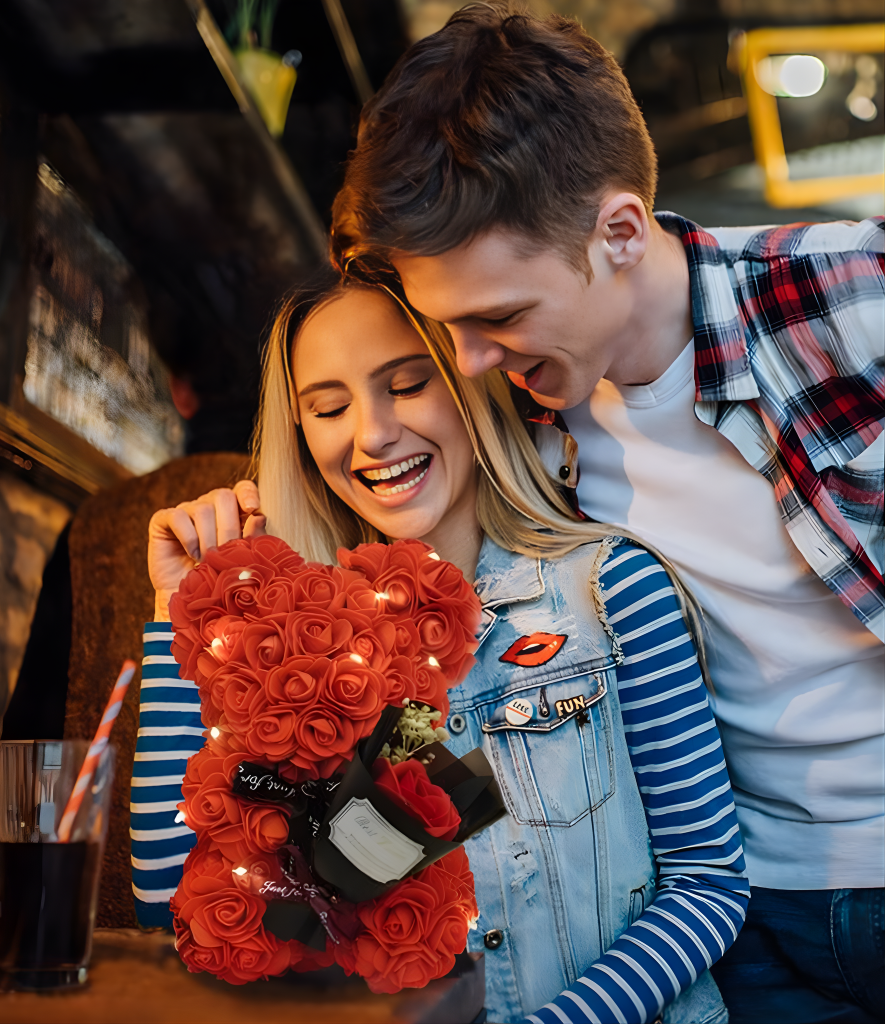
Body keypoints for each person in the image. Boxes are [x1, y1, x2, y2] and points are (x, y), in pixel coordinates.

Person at [327, 7, 884, 1023]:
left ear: (619, 231)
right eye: (450, 328)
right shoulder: (522, 433)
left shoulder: (851, 296)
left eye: (497, 317)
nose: (473, 364)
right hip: (744, 925)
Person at [141, 268, 747, 1023]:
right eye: (328, 407)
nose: (371, 433)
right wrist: (181, 615)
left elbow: (708, 882)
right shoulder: (297, 666)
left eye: (405, 384)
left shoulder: (612, 590)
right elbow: (178, 907)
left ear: (473, 386)